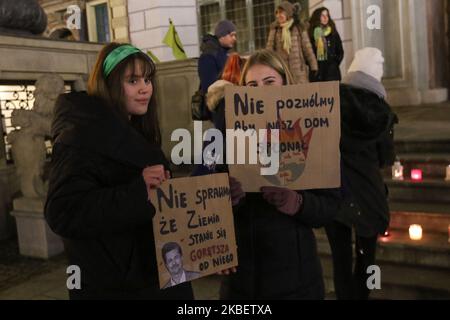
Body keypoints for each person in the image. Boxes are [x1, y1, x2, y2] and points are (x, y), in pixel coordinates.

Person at [44, 43, 194, 300]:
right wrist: (137, 193)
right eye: (133, 80)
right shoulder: (79, 137)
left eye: (147, 79)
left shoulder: (137, 131)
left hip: (158, 278)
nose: (145, 88)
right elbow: (62, 211)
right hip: (114, 285)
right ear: (110, 84)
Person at [220, 49, 341, 299]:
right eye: (252, 85)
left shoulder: (312, 129)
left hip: (295, 279)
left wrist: (298, 202)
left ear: (285, 82)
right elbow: (208, 201)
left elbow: (331, 205)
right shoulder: (230, 133)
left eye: (269, 82)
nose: (261, 91)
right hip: (242, 283)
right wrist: (225, 196)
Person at [325, 47, 398, 300]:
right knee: (367, 258)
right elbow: (385, 159)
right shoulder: (381, 112)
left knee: (340, 259)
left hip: (336, 192)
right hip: (368, 196)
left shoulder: (328, 104)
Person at [266, 1, 318, 84]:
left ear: (288, 13)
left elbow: (307, 48)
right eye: (277, 13)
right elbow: (269, 50)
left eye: (281, 12)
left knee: (301, 94)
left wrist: (313, 66)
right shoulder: (274, 29)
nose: (279, 15)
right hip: (282, 70)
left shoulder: (298, 27)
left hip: (299, 71)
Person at [198, 19, 237, 119]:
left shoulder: (222, 54)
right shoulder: (209, 56)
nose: (234, 38)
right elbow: (210, 87)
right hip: (218, 108)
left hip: (227, 105)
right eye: (231, 35)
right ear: (222, 35)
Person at [308, 7, 344, 82]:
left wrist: (334, 63)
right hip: (317, 74)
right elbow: (308, 54)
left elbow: (340, 50)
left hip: (332, 73)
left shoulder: (333, 31)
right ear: (317, 17)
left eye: (327, 15)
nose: (325, 17)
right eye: (322, 15)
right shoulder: (311, 33)